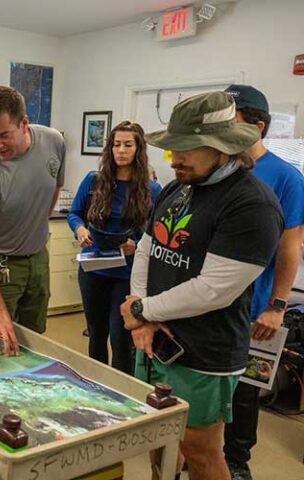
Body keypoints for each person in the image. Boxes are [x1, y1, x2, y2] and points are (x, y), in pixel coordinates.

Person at [120, 91, 284, 480]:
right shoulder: (181, 186)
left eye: (187, 149)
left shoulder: (251, 204)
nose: (174, 159)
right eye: (172, 148)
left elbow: (213, 289)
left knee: (199, 447)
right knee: (156, 434)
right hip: (155, 338)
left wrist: (141, 311)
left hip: (203, 351)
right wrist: (140, 313)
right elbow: (146, 249)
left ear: (223, 147)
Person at [222, 85, 304, 480]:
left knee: (244, 393)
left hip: (255, 308)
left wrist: (277, 305)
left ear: (257, 126)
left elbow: (291, 247)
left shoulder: (285, 178)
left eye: (230, 120)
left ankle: (237, 463)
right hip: (207, 305)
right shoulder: (218, 166)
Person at [0, 86, 65, 356]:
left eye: (4, 135)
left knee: (34, 341)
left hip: (38, 257)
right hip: (0, 262)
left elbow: (53, 188)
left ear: (24, 124)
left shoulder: (54, 141)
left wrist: (35, 229)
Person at [67, 121, 161, 374]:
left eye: (128, 145)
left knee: (120, 339)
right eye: (116, 145)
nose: (121, 150)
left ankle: (122, 391)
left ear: (138, 149)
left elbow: (158, 233)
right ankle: (95, 385)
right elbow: (74, 214)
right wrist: (80, 229)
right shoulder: (94, 181)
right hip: (93, 268)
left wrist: (137, 243)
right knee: (96, 334)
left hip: (127, 272)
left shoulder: (151, 189)